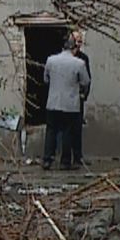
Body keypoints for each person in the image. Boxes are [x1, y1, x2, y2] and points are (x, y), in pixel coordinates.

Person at [42, 32, 91, 170]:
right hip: (70, 104)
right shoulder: (79, 63)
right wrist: (80, 92)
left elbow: (46, 79)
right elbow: (86, 81)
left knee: (51, 130)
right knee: (67, 131)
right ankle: (65, 161)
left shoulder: (50, 60)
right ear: (73, 48)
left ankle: (47, 159)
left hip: (53, 102)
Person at [70, 30, 92, 168]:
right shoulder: (64, 57)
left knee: (77, 128)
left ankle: (77, 157)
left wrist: (84, 95)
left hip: (78, 98)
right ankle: (65, 157)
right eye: (76, 41)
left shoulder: (83, 58)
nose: (78, 44)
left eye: (80, 41)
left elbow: (88, 79)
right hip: (66, 97)